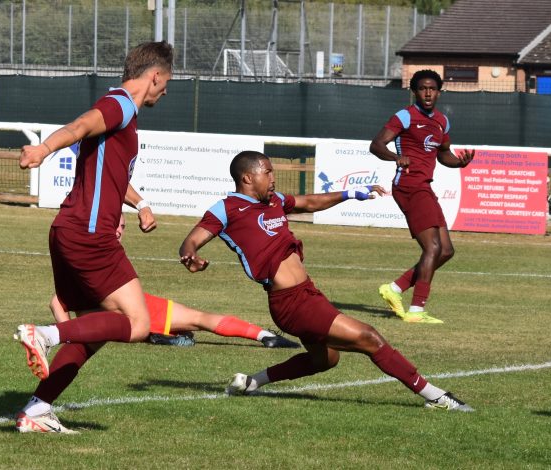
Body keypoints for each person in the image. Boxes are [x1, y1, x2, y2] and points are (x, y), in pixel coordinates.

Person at [178, 151, 473, 412]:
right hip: (290, 303)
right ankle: (435, 395)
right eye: (267, 172)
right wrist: (191, 256)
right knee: (370, 337)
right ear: (247, 177)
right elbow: (191, 240)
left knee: (325, 360)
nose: (273, 177)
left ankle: (253, 381)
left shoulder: (276, 201)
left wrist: (350, 194)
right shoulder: (227, 208)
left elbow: (308, 202)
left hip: (308, 294)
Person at [13, 41, 174, 433]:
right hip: (89, 234)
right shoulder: (119, 104)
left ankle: (36, 410)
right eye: (166, 82)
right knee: (137, 324)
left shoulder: (124, 113)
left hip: (69, 229)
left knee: (96, 330)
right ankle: (45, 334)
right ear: (154, 75)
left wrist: (141, 203)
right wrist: (45, 148)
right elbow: (80, 125)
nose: (166, 91)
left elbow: (114, 174)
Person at [47, 215, 300, 349]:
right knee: (192, 320)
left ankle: (264, 335)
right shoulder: (91, 251)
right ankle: (160, 336)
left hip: (141, 309)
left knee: (199, 318)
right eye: (115, 225)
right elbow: (57, 301)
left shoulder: (105, 252)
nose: (118, 231)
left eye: (122, 226)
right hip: (128, 314)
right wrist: (66, 333)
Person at [369, 69, 474, 324]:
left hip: (424, 187)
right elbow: (376, 145)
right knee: (433, 247)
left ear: (439, 92)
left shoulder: (442, 121)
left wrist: (459, 163)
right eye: (422, 88)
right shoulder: (405, 116)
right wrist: (397, 157)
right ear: (414, 92)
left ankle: (394, 289)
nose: (428, 93)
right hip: (407, 185)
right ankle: (417, 310)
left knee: (446, 250)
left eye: (432, 88)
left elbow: (443, 154)